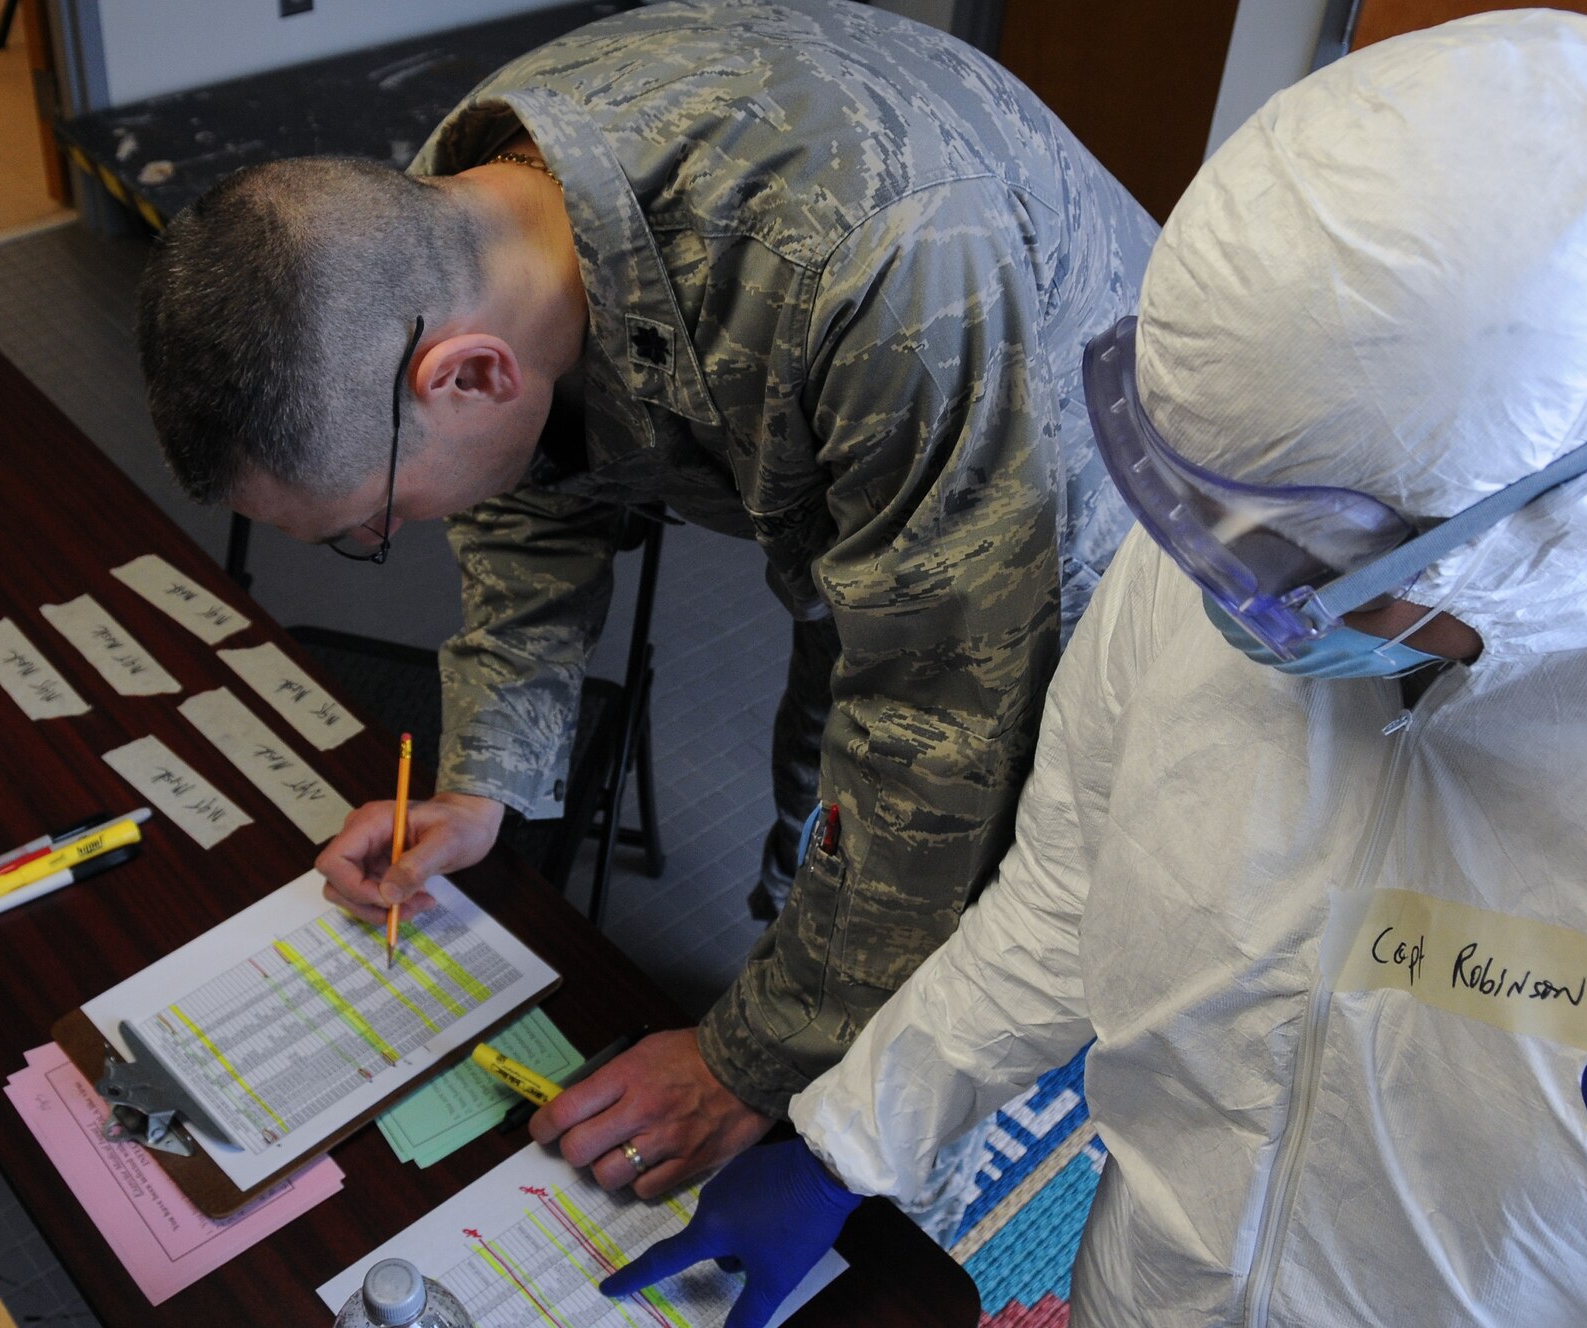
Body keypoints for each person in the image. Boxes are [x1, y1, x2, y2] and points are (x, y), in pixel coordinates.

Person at [593, 11, 1587, 1326]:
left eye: (1288, 552)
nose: (1214, 585)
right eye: (1200, 511)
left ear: (1540, 522)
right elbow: (1068, 892)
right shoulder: (1244, 537)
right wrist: (846, 1144)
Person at [134, 0, 1154, 1194]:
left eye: (372, 517)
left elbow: (939, 738)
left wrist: (746, 1067)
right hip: (885, 456)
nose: (385, 537)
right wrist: (486, 781)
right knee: (826, 831)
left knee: (980, 922)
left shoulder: (876, 270)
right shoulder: (448, 224)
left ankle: (911, 1180)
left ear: (466, 372)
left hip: (1085, 484)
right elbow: (521, 488)